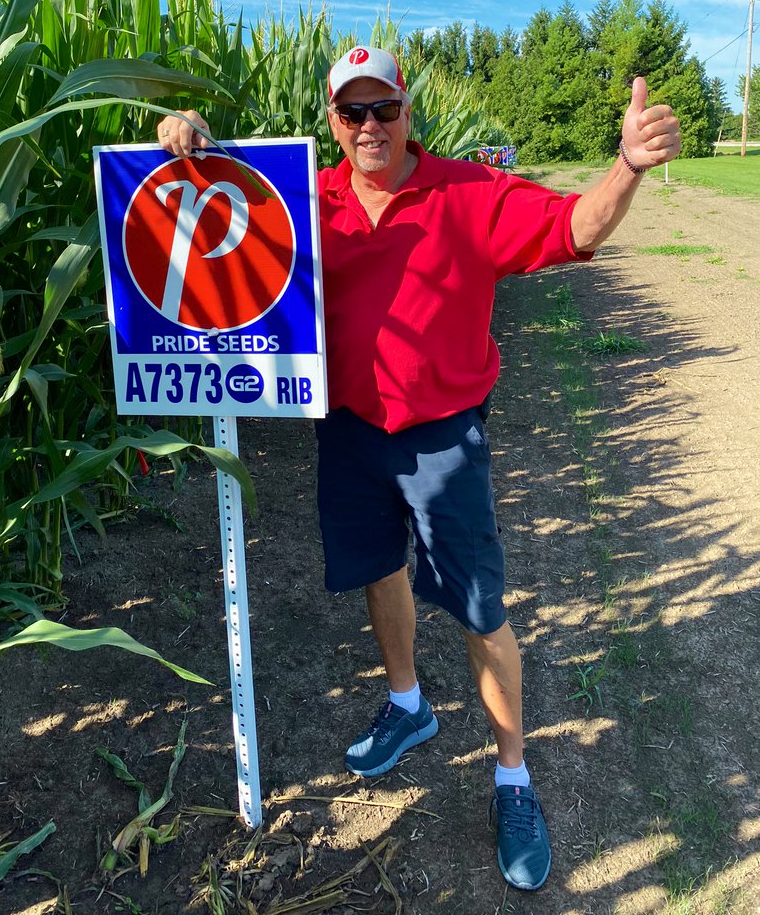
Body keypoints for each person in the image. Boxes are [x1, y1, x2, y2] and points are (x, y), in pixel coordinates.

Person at [156, 45, 680, 892]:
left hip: (442, 437)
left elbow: (574, 229)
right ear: (331, 120)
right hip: (352, 429)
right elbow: (215, 209)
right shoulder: (304, 197)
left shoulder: (467, 192)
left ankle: (512, 775)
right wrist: (191, 139)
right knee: (379, 569)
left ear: (408, 111)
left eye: (383, 109)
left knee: (477, 606)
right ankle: (408, 705)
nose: (369, 127)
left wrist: (626, 165)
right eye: (351, 112)